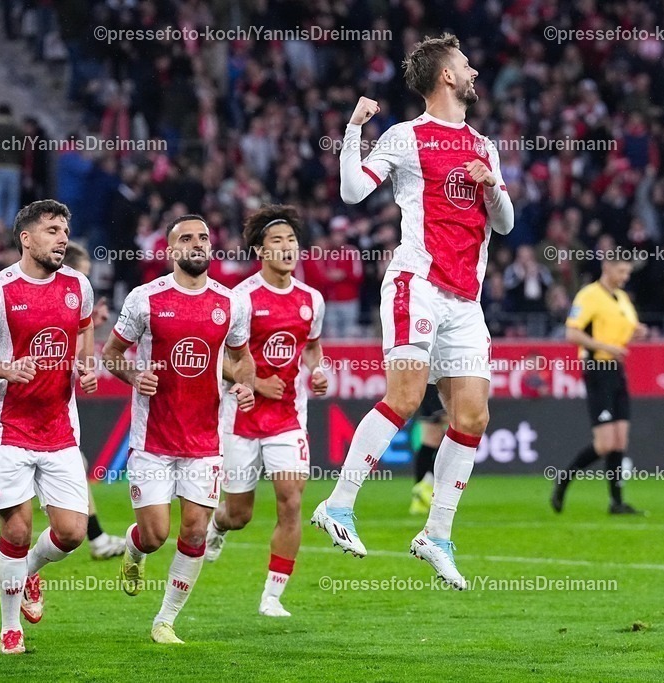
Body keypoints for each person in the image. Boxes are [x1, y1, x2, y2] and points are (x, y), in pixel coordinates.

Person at [312, 33, 514, 590]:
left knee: (471, 417)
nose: (474, 69)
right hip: (417, 283)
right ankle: (339, 504)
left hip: (466, 299)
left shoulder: (482, 145)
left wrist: (491, 186)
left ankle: (436, 535)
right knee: (405, 397)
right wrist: (354, 129)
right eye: (466, 62)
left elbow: (505, 223)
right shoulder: (405, 137)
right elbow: (353, 191)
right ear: (446, 75)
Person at [0, 199, 98, 654]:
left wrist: (87, 370)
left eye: (65, 229)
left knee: (73, 533)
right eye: (52, 230)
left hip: (58, 427)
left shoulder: (78, 286)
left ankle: (31, 570)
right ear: (26, 238)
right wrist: (5, 369)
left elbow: (84, 337)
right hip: (7, 426)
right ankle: (9, 627)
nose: (62, 237)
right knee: (15, 530)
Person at [103, 215, 255, 645]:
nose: (196, 244)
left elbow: (241, 358)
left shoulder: (231, 303)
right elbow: (111, 353)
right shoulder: (144, 299)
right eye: (186, 238)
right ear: (170, 250)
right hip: (153, 439)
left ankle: (165, 620)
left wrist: (243, 385)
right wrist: (134, 377)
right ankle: (134, 549)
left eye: (203, 238)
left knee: (194, 531)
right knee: (155, 535)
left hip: (205, 440)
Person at [204, 205, 327, 618]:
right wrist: (254, 382)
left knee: (291, 502)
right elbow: (217, 357)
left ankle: (273, 595)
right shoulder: (240, 300)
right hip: (241, 417)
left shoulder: (312, 300)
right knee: (239, 514)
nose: (287, 247)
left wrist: (318, 368)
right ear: (261, 250)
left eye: (292, 240)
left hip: (289, 419)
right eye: (277, 241)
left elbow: (310, 344)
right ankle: (218, 525)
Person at [551, 258, 647, 515]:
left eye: (628, 271)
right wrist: (606, 347)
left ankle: (616, 502)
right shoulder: (589, 295)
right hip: (597, 369)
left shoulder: (622, 298)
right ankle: (563, 480)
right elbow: (572, 333)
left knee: (619, 440)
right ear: (607, 268)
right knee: (605, 444)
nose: (625, 276)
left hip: (617, 370)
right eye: (621, 270)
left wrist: (636, 332)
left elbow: (624, 328)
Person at [61, 242, 128, 559]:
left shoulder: (71, 305)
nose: (86, 282)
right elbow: (58, 357)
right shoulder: (56, 302)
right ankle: (97, 540)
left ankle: (97, 538)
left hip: (56, 409)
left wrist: (90, 326)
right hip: (30, 411)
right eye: (83, 274)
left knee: (77, 465)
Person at [409, 384, 446, 515]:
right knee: (456, 436)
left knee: (431, 439)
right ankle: (425, 486)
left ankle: (419, 497)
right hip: (438, 386)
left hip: (426, 385)